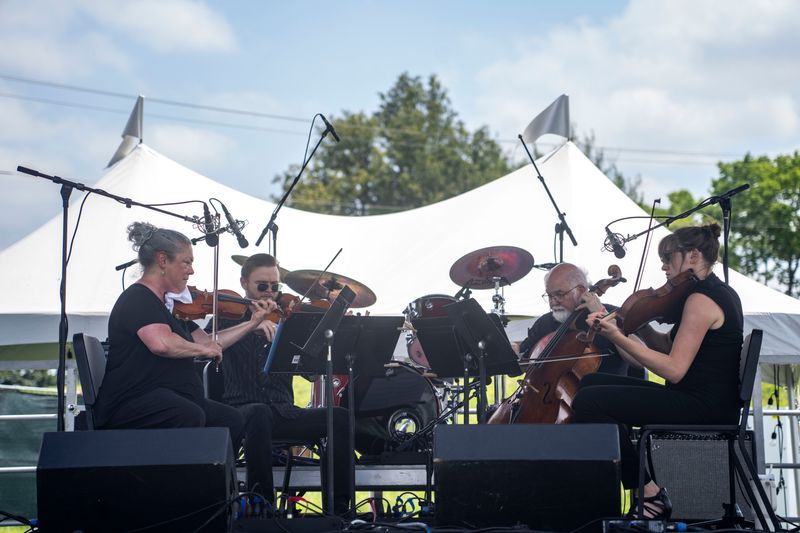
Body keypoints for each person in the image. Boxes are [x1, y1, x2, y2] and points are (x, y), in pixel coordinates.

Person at [572, 224, 743, 519]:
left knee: (590, 402)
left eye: (668, 257)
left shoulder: (702, 300)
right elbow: (668, 346)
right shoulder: (709, 292)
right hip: (698, 398)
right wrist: (641, 325)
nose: (663, 266)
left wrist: (617, 337)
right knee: (590, 383)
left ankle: (648, 493)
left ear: (692, 255)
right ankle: (639, 486)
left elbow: (674, 369)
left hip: (703, 406)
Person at [95, 222, 271, 456]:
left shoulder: (170, 307)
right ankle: (184, 486)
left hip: (170, 399)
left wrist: (251, 323)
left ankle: (213, 486)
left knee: (230, 420)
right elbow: (161, 343)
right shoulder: (137, 298)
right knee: (188, 414)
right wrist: (202, 352)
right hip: (132, 402)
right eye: (186, 262)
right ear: (163, 260)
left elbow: (209, 342)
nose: (191, 270)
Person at [210, 253, 352, 514]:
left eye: (275, 287)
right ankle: (262, 505)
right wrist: (251, 325)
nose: (270, 292)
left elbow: (310, 374)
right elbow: (210, 344)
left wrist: (320, 341)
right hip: (243, 410)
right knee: (258, 413)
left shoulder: (287, 319)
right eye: (261, 286)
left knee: (340, 417)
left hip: (284, 411)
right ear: (244, 283)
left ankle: (340, 509)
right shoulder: (227, 317)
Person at [517, 262, 639, 376]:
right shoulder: (544, 323)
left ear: (580, 291)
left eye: (560, 294)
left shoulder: (613, 314)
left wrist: (603, 314)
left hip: (608, 394)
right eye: (549, 295)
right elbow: (521, 365)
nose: (552, 302)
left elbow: (638, 362)